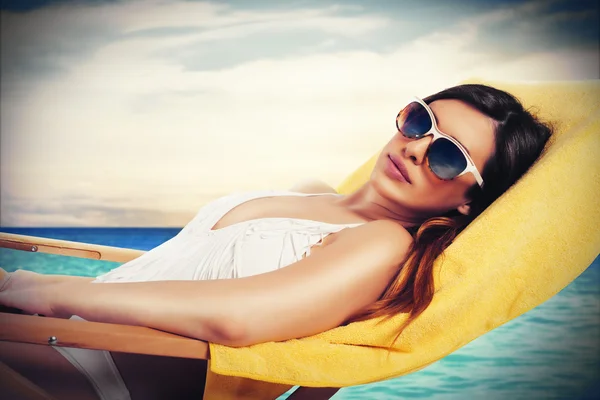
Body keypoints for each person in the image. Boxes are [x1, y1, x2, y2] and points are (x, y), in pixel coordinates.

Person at [0, 84, 552, 400]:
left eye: (448, 155)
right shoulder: (313, 194)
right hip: (49, 341)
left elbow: (237, 319)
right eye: (419, 121)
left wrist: (52, 291)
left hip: (87, 379)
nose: (415, 148)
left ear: (466, 203)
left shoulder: (382, 245)